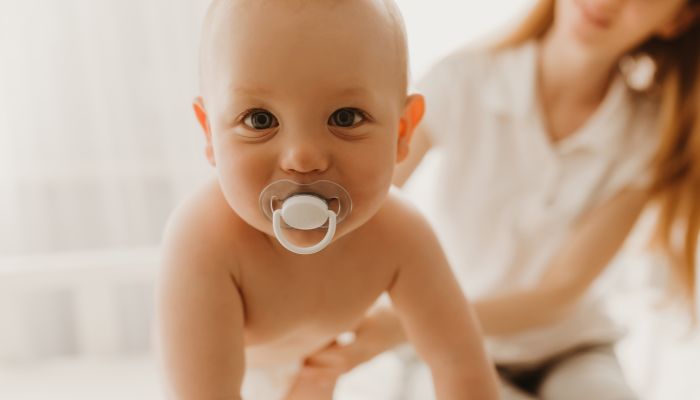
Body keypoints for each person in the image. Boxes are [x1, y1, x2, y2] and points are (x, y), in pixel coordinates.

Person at [299, 0, 700, 399]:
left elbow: (558, 296)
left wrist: (400, 325)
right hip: (441, 342)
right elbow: (364, 207)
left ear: (678, 19)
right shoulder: (461, 80)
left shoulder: (648, 134)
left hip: (571, 348)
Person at [154, 0, 500, 399]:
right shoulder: (204, 242)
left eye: (345, 117)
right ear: (210, 134)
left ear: (403, 130)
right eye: (259, 120)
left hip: (331, 364)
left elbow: (461, 365)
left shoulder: (402, 234)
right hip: (228, 373)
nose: (303, 158)